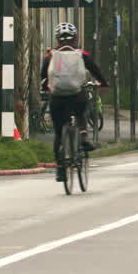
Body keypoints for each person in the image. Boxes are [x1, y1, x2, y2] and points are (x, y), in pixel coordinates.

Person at [39, 22, 108, 182]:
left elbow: (43, 75)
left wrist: (46, 86)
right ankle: (84, 137)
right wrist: (103, 83)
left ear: (57, 39)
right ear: (75, 38)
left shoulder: (51, 55)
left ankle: (60, 169)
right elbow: (94, 69)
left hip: (57, 98)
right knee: (80, 113)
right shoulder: (81, 53)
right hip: (76, 95)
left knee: (58, 133)